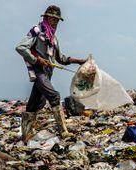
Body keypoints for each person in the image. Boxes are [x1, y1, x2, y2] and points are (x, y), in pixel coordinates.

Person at [16, 5, 86, 142]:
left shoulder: (53, 38)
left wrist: (78, 61)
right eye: (52, 19)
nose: (55, 22)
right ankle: (64, 132)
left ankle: (26, 135)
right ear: (46, 18)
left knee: (35, 104)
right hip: (39, 71)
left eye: (57, 20)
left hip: (48, 72)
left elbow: (61, 59)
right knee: (54, 96)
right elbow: (20, 47)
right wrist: (36, 60)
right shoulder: (36, 31)